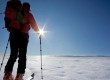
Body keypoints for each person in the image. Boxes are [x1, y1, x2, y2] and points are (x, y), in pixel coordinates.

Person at [3, 1, 39, 80]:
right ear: (29, 8)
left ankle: (7, 74)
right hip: (24, 36)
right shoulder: (28, 15)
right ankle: (19, 75)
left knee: (13, 55)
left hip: (14, 35)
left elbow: (9, 20)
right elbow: (34, 25)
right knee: (22, 56)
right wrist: (38, 32)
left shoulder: (16, 11)